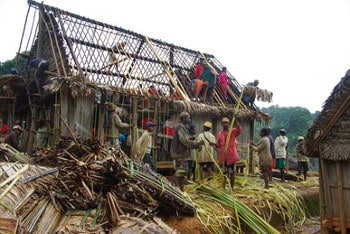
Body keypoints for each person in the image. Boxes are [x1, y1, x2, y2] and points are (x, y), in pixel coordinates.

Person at [171, 111, 204, 191]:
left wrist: (191, 138)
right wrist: (196, 144)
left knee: (182, 172)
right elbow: (184, 141)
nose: (189, 119)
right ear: (184, 118)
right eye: (188, 117)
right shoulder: (180, 127)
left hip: (181, 154)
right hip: (179, 154)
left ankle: (181, 190)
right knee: (180, 172)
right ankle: (175, 188)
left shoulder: (183, 127)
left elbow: (185, 139)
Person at [214, 117, 242, 191]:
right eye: (223, 123)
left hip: (231, 156)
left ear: (229, 123)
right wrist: (215, 144)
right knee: (224, 172)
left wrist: (237, 121)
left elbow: (239, 131)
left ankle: (231, 188)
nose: (225, 124)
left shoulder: (232, 131)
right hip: (223, 157)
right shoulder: (220, 133)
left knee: (232, 173)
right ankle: (223, 188)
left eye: (226, 123)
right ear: (221, 124)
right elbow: (219, 145)